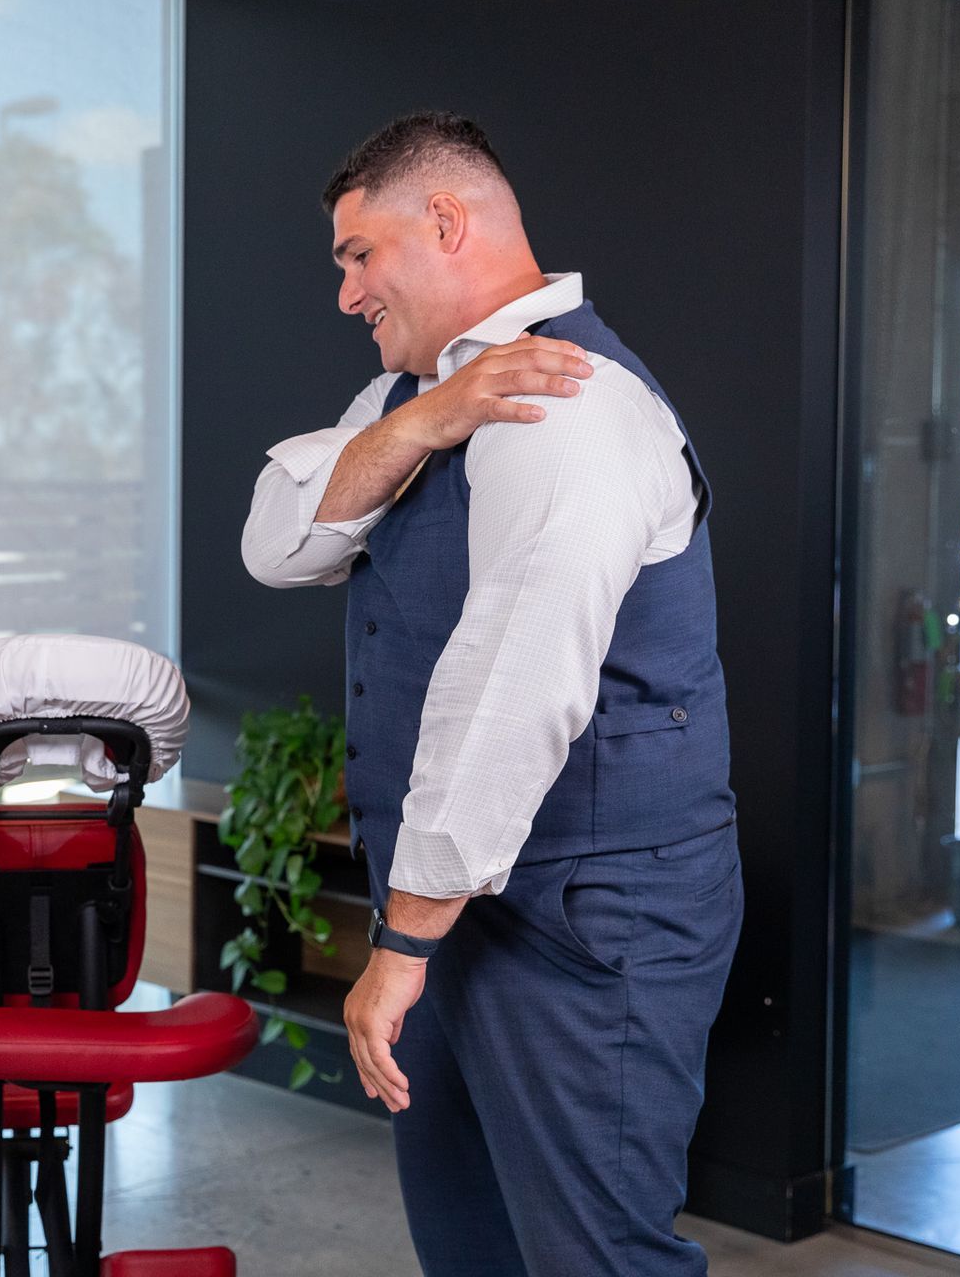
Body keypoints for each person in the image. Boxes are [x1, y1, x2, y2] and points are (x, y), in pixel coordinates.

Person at [241, 112, 742, 1276]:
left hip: (587, 909)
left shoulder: (567, 400)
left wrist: (405, 942)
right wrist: (423, 417)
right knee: (469, 1241)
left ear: (448, 222)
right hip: (466, 897)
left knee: (590, 1255)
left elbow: (514, 688)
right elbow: (282, 545)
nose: (347, 292)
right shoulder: (417, 396)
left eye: (358, 255)